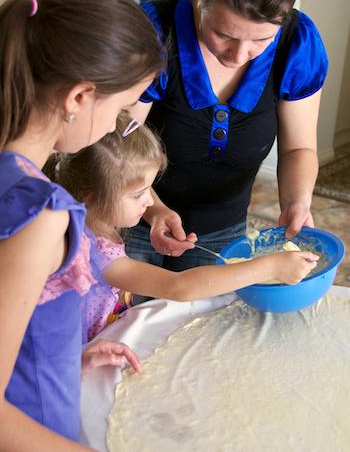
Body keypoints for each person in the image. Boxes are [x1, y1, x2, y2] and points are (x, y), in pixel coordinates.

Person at [0, 0, 164, 450]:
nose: (118, 124)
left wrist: (65, 361)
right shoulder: (42, 213)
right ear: (78, 98)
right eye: (120, 109)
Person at [125, 0, 328, 273]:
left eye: (260, 40)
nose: (239, 55)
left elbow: (298, 150)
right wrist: (151, 209)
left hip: (223, 228)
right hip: (130, 213)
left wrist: (297, 202)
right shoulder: (154, 34)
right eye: (223, 34)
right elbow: (119, 145)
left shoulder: (297, 44)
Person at [52, 112, 319, 343]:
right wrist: (270, 267)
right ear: (91, 195)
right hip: (79, 355)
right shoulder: (96, 251)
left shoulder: (95, 225)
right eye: (137, 194)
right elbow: (178, 287)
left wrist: (156, 212)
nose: (149, 201)